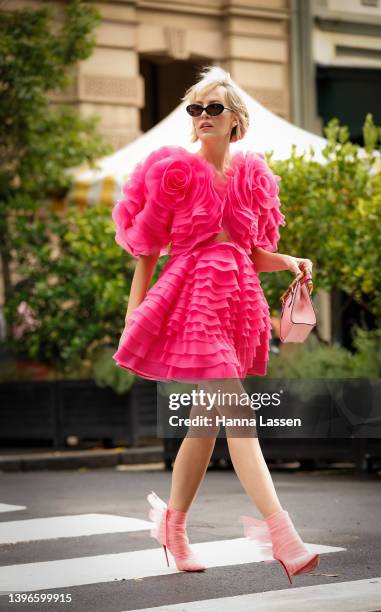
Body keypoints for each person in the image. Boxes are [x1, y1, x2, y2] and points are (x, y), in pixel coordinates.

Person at [111, 66, 318, 584]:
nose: (202, 117)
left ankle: (172, 528)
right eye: (195, 109)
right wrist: (134, 320)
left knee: (204, 428)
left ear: (236, 122)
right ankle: (282, 534)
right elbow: (147, 253)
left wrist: (288, 260)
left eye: (213, 109)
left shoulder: (249, 176)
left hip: (236, 303)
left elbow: (248, 251)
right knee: (239, 415)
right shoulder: (172, 173)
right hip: (192, 302)